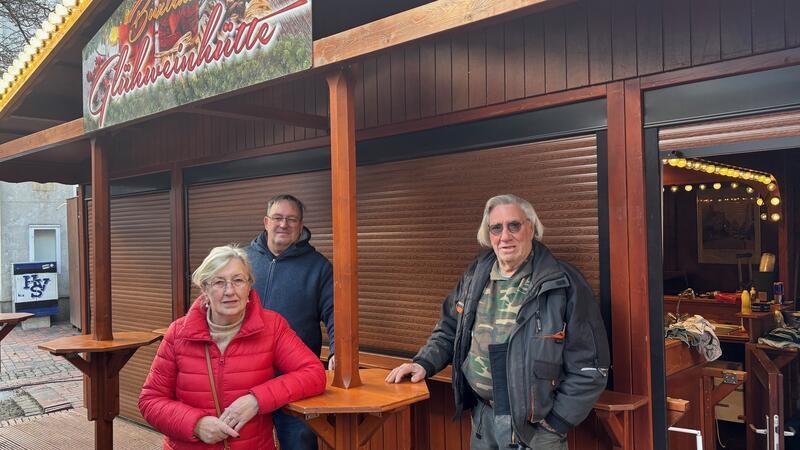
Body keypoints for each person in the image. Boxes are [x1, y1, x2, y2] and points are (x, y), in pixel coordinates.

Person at [386, 194, 610, 449]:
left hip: (536, 429)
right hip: (484, 419)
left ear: (532, 228)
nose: (505, 236)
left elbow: (591, 366)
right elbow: (449, 330)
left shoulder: (563, 283)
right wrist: (424, 363)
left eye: (514, 225)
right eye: (496, 228)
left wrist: (556, 422)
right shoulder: (475, 275)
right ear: (488, 234)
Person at [139, 245, 326, 450]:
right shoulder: (178, 333)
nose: (230, 291)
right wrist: (196, 424)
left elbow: (314, 373)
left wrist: (256, 400)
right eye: (219, 282)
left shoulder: (272, 327)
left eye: (238, 280)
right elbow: (150, 400)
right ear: (205, 289)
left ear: (249, 286)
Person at [246, 194, 334, 450]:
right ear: (266, 221)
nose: (283, 224)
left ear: (300, 225)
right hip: (247, 374)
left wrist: (338, 353)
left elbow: (335, 315)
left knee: (300, 443)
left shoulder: (318, 267)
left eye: (291, 219)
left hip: (295, 378)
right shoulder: (242, 261)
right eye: (277, 218)